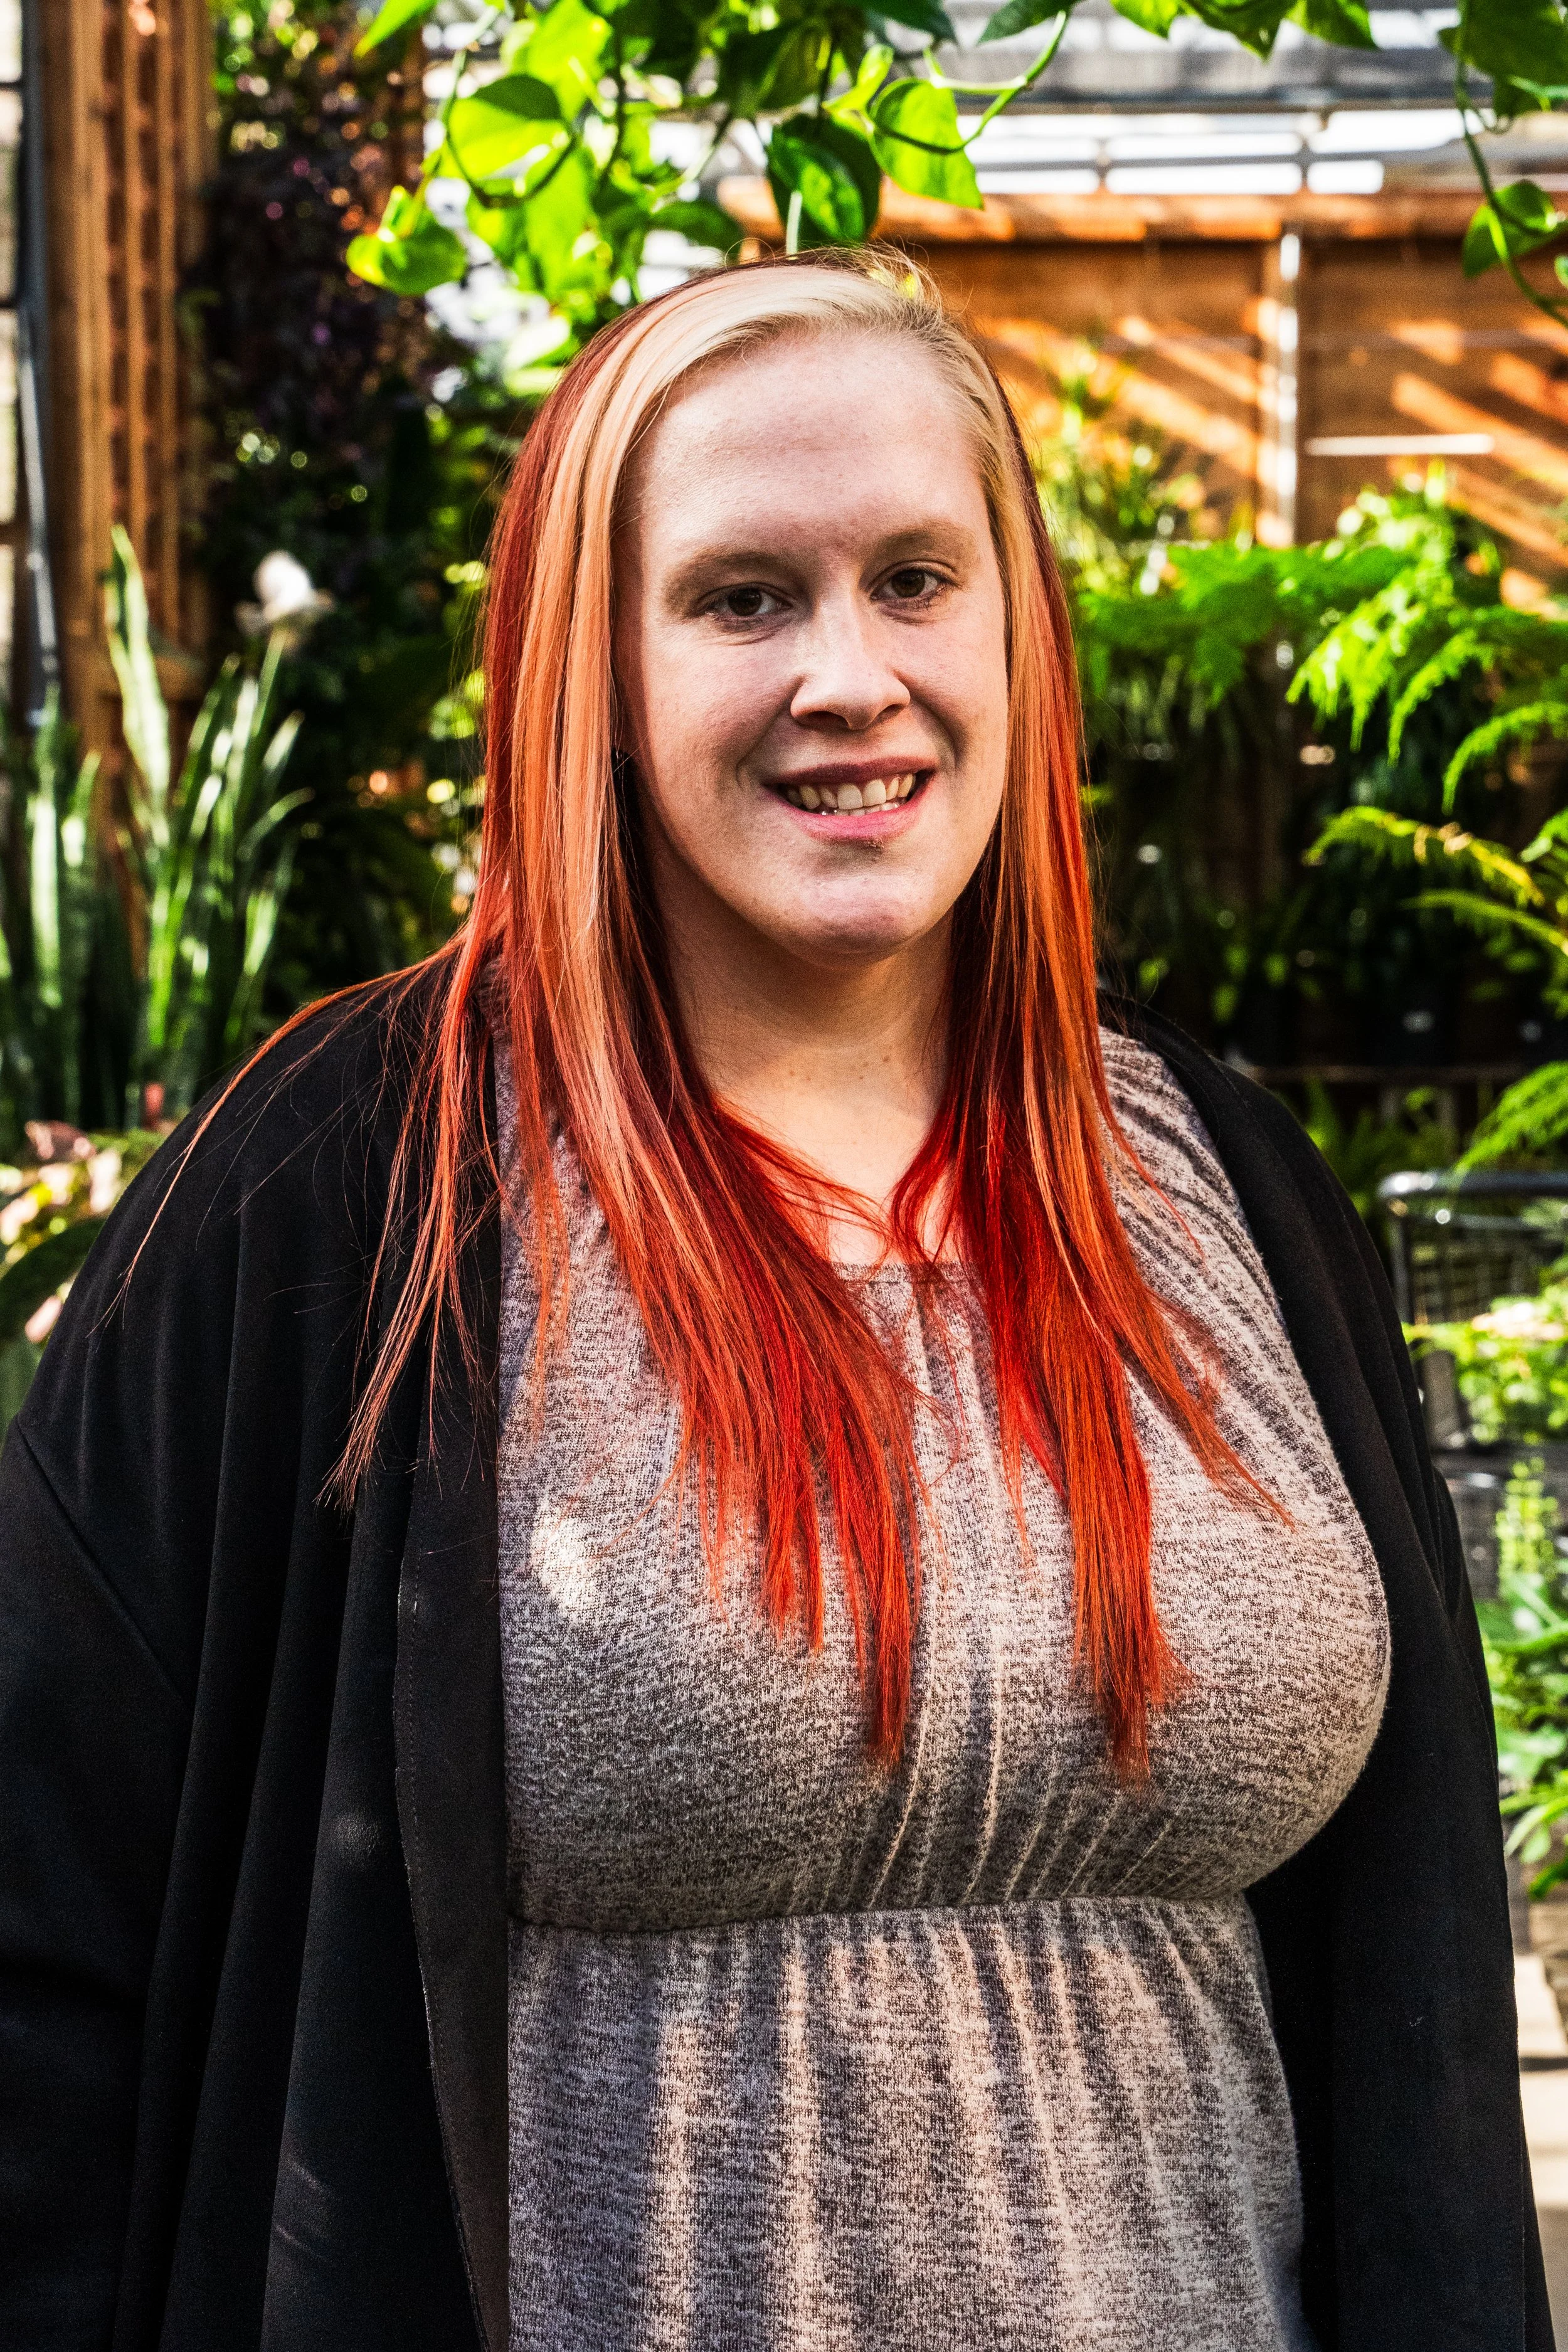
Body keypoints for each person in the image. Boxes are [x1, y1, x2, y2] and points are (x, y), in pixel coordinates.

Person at [0, 251, 1547, 2352]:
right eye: (743, 597)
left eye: (917, 578)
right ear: (594, 666)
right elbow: (41, 1927)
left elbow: (1415, 1973)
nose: (851, 673)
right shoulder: (334, 1197)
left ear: (1018, 629)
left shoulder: (1220, 1177)